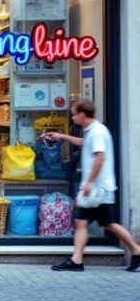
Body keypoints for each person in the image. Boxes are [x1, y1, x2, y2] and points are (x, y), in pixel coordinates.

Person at [48, 100, 140, 272]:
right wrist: (61, 136)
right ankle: (77, 259)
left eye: (74, 113)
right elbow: (84, 143)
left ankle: (78, 260)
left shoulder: (97, 132)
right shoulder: (93, 131)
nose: (73, 117)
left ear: (82, 115)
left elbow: (100, 158)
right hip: (98, 188)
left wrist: (88, 183)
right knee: (94, 222)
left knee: (99, 223)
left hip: (98, 188)